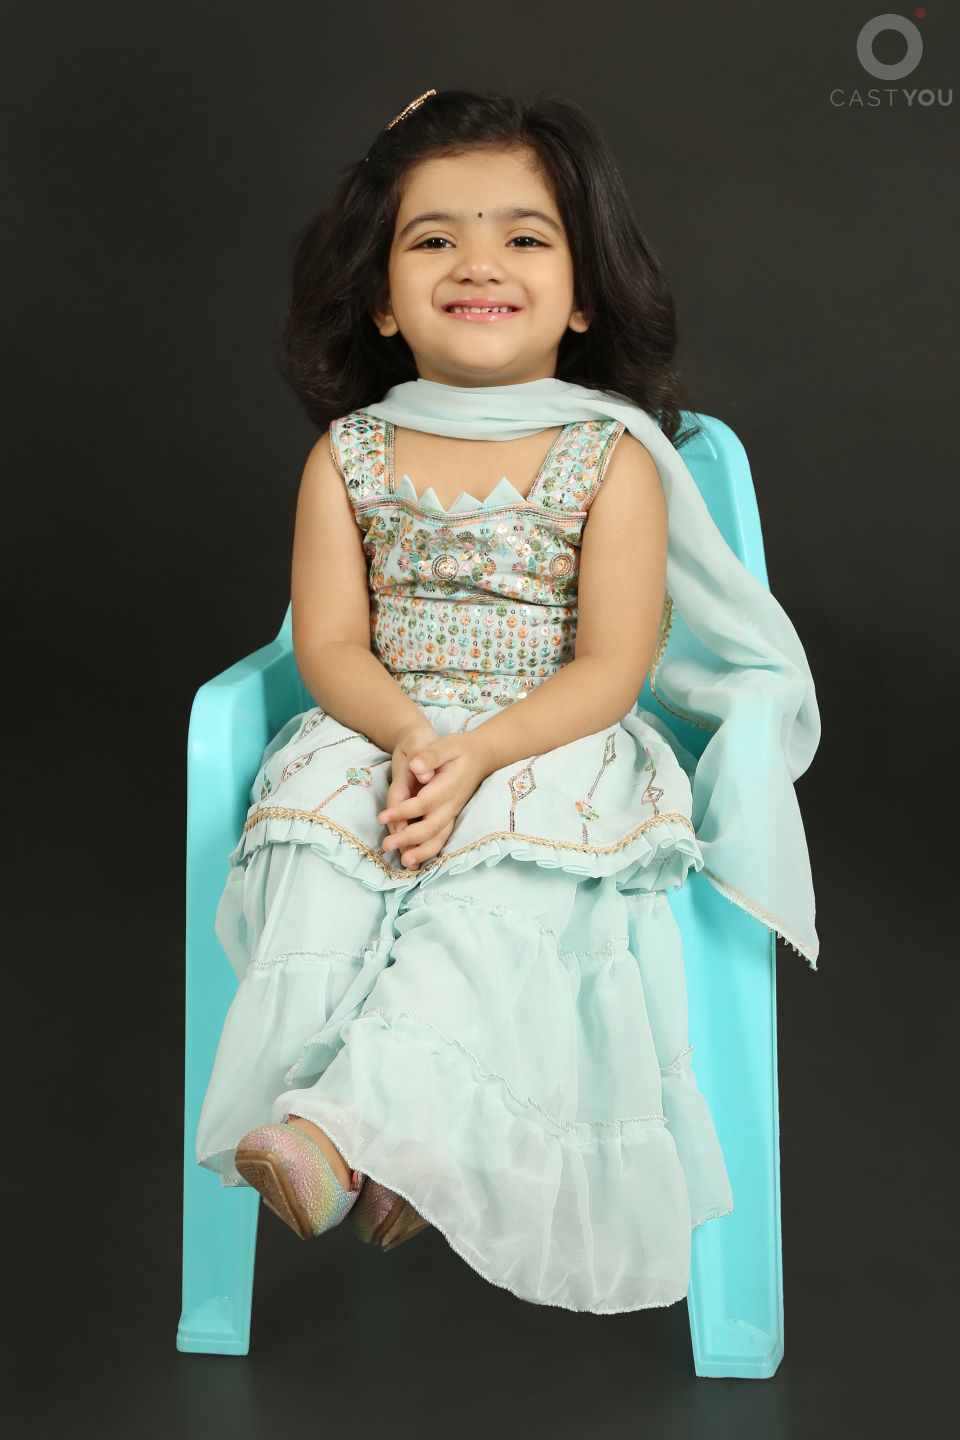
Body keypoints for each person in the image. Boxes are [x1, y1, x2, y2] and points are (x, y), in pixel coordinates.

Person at [194, 87, 820, 1315]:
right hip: (387, 721)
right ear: (383, 298)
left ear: (582, 294)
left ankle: (359, 1134)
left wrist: (480, 753)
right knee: (322, 839)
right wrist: (410, 737)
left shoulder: (610, 458)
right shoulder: (349, 455)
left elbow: (611, 666)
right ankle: (385, 1144)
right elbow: (329, 642)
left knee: (500, 878)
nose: (478, 262)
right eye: (434, 238)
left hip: (554, 731)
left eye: (524, 237)